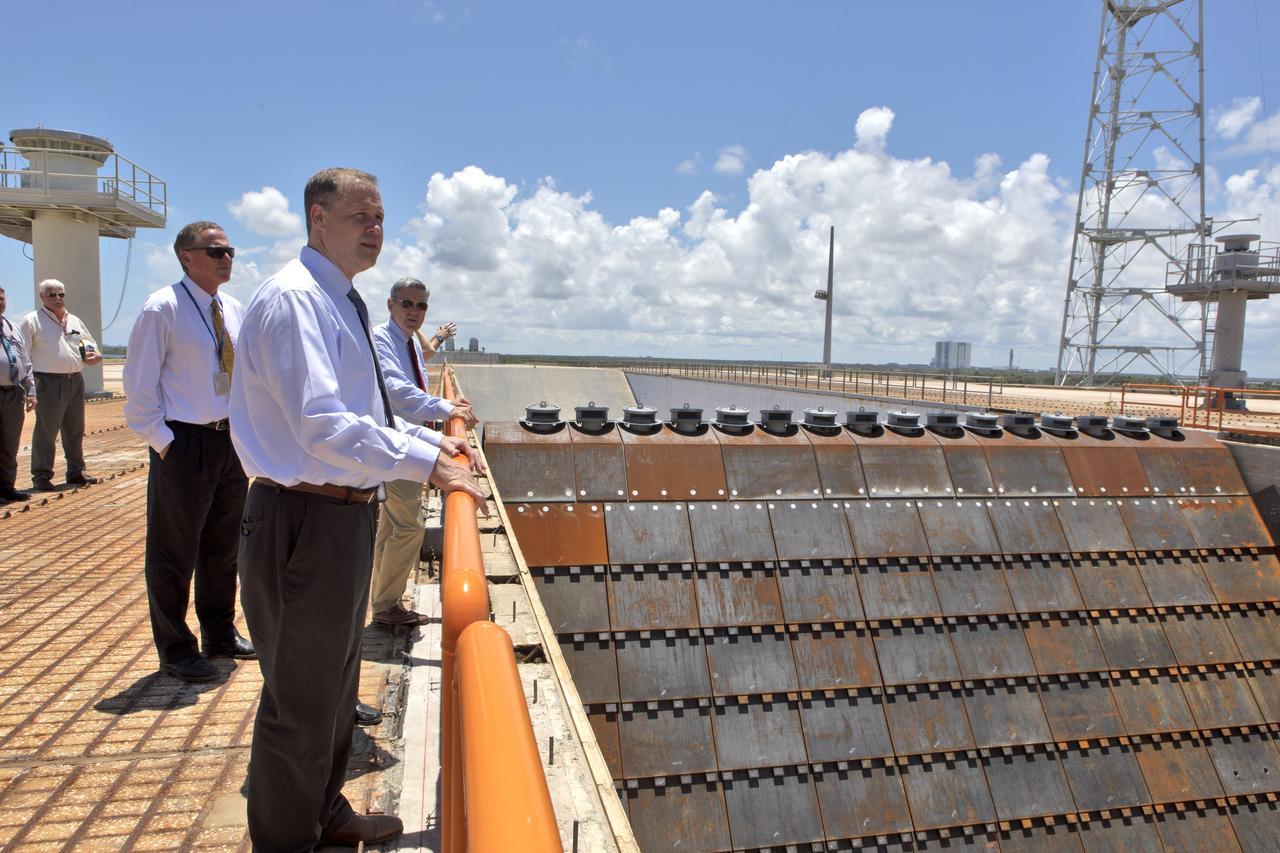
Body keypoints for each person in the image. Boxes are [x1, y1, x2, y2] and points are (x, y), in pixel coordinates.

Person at [230, 167, 487, 850]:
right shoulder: (294, 300)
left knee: (334, 691)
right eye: (360, 217)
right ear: (319, 219)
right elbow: (321, 423)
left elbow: (370, 414)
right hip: (301, 519)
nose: (375, 229)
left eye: (379, 218)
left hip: (339, 516)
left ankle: (324, 814)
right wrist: (431, 461)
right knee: (299, 706)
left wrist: (437, 445)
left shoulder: (341, 300)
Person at [123, 221, 256, 683]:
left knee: (223, 547)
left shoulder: (233, 309)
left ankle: (219, 632)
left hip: (229, 439)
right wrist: (164, 444)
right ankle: (176, 648)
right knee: (173, 551)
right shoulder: (163, 308)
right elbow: (139, 389)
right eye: (215, 251)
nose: (226, 259)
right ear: (186, 256)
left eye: (229, 251)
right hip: (184, 442)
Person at [369, 277, 476, 626]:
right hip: (397, 442)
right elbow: (395, 391)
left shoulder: (408, 341)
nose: (414, 311)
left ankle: (381, 598)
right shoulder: (382, 339)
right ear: (390, 305)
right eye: (407, 303)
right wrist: (446, 408)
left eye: (421, 305)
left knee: (392, 524)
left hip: (410, 439)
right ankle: (386, 607)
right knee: (408, 527)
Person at [18, 279, 103, 491]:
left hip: (75, 380)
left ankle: (76, 471)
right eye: (52, 295)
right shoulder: (31, 321)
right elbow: (22, 355)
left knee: (75, 429)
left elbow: (88, 344)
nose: (57, 298)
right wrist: (29, 386)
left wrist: (95, 356)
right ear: (42, 297)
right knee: (47, 430)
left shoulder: (74, 320)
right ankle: (41, 475)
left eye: (61, 294)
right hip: (48, 381)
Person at [0, 286, 36, 503]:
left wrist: (31, 391)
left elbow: (25, 362)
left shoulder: (12, 327)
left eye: (2, 298)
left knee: (9, 444)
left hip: (14, 394)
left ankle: (7, 488)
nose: (0, 302)